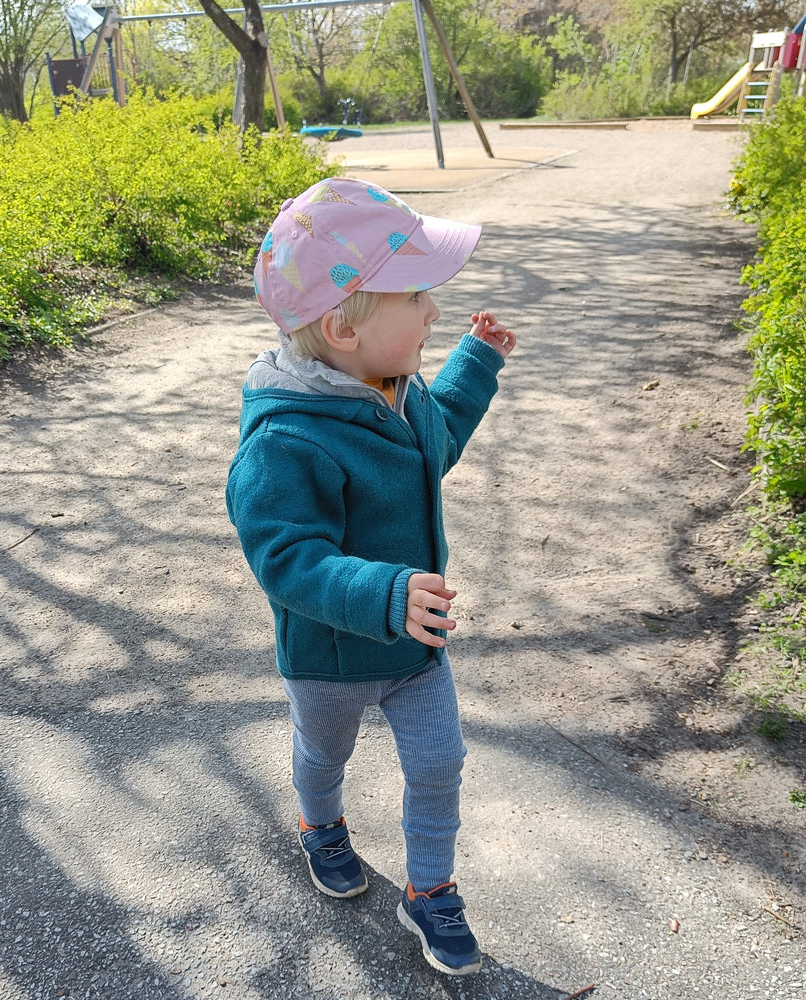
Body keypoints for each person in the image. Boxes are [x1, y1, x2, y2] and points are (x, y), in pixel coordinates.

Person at [225, 176, 515, 977]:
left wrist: (475, 366)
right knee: (325, 756)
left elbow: (436, 442)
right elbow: (285, 557)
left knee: (438, 762)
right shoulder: (286, 441)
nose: (433, 312)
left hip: (414, 647)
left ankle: (430, 892)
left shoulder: (398, 389)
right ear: (342, 329)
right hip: (330, 657)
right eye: (416, 296)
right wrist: (380, 593)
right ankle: (321, 826)